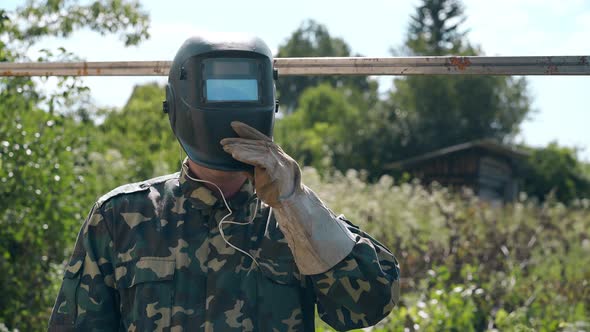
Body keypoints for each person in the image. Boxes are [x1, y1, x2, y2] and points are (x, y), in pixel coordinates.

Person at [48, 33, 400, 332]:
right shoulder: (120, 217)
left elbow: (370, 304)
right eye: (217, 88)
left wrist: (296, 203)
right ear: (176, 103)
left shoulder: (292, 219)